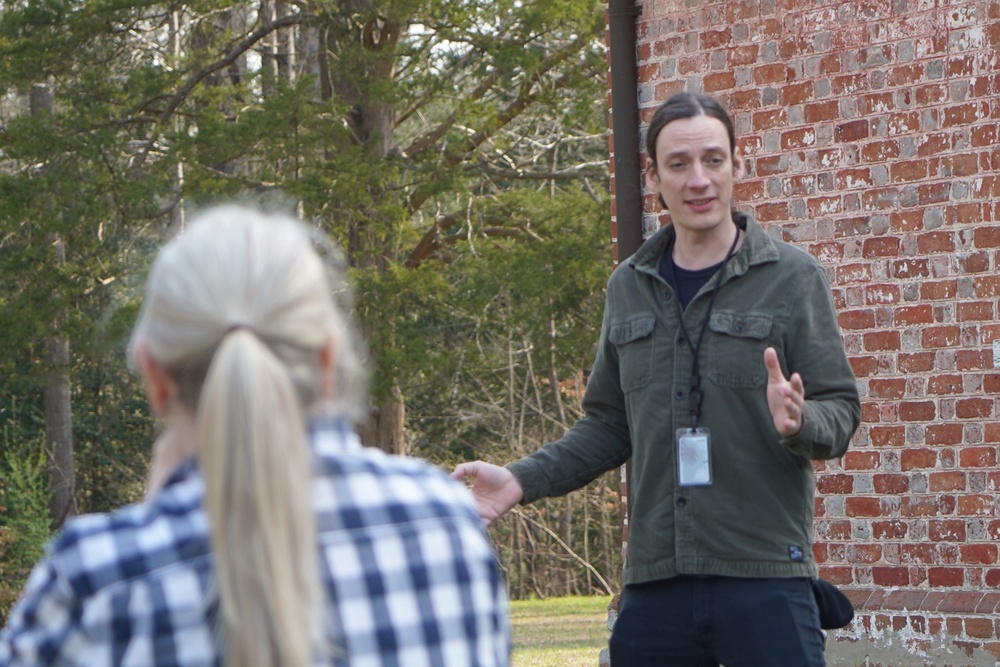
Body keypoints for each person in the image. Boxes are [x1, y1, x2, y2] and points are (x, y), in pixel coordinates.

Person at [0, 205, 510, 667]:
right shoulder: (444, 522)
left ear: (154, 378)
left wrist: (156, 519)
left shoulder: (97, 578)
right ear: (329, 361)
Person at [452, 92, 860, 667]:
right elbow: (609, 424)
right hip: (655, 580)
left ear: (738, 166)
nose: (699, 180)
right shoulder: (629, 285)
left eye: (714, 160)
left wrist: (800, 420)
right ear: (655, 177)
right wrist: (520, 480)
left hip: (764, 575)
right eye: (679, 164)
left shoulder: (793, 279)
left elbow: (839, 412)